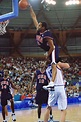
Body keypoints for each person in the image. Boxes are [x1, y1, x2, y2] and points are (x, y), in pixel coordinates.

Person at [29, 4, 59, 88]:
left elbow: (52, 47)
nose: (37, 26)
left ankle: (52, 82)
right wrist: (30, 7)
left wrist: (47, 55)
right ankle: (53, 81)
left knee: (53, 64)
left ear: (43, 27)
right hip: (48, 49)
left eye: (39, 25)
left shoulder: (47, 33)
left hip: (52, 49)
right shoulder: (39, 31)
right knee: (50, 66)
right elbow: (34, 17)